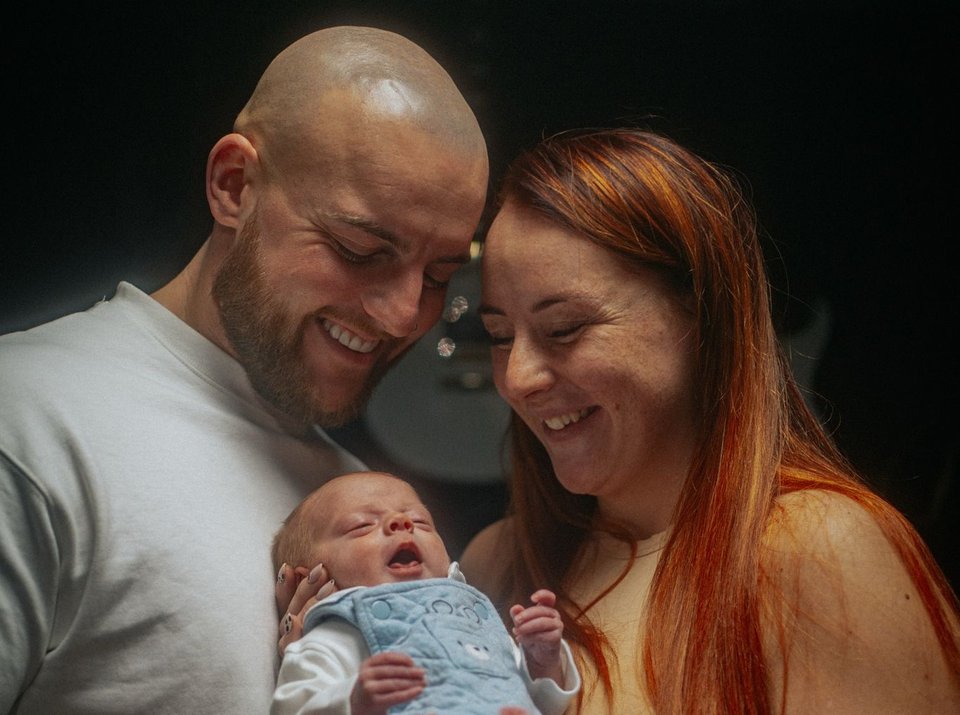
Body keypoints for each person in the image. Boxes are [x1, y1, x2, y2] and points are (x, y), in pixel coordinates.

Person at [0, 25, 488, 715]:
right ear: (234, 186)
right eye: (361, 248)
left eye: (439, 274)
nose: (406, 314)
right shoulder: (25, 420)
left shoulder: (365, 509)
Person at [456, 127, 960, 713]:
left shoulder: (818, 549)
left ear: (697, 310)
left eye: (564, 329)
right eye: (497, 336)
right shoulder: (496, 562)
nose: (517, 377)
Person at [270, 471, 579, 715]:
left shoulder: (476, 626)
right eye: (362, 526)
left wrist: (542, 662)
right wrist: (353, 702)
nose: (402, 523)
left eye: (420, 521)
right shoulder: (333, 639)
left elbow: (543, 703)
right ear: (311, 576)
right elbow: (290, 707)